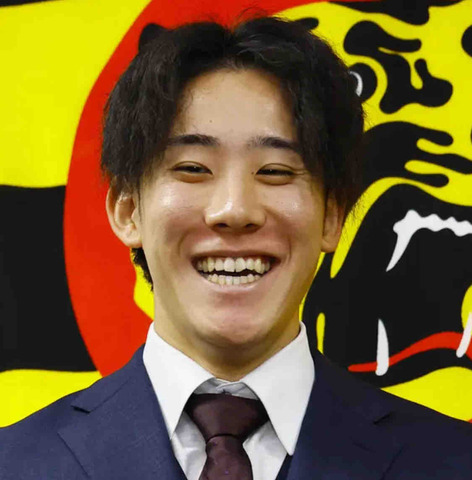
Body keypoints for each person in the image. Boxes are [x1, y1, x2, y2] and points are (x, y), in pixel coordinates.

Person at [1, 15, 471, 480]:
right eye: (193, 168)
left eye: (275, 171)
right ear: (128, 210)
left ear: (332, 215)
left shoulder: (452, 461)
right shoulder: (17, 464)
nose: (234, 209)